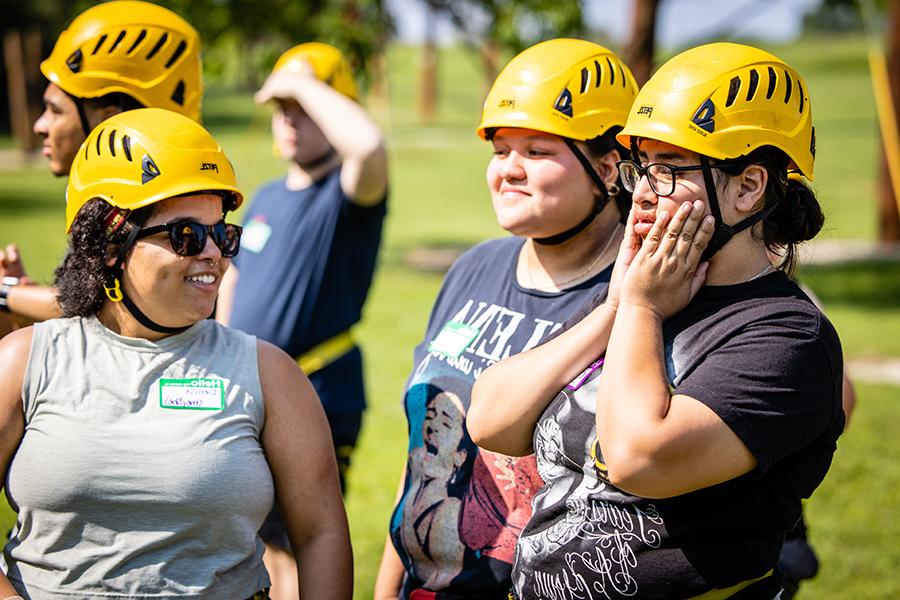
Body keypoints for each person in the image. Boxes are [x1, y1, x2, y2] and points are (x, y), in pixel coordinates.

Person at [467, 42, 845, 599]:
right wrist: (617, 309)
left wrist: (640, 310)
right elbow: (492, 422)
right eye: (640, 169)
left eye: (668, 171)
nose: (642, 194)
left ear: (748, 187)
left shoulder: (787, 336)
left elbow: (637, 458)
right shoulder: (646, 295)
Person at [0, 108, 352, 599]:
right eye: (186, 235)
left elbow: (321, 534)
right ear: (108, 243)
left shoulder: (269, 373)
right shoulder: (23, 362)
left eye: (224, 233)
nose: (214, 253)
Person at [374, 38, 638, 599]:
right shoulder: (476, 267)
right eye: (500, 150)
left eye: (537, 151)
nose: (508, 171)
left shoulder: (645, 289)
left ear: (610, 166)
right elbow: (422, 458)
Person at [214, 42, 387, 600]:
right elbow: (232, 283)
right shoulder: (264, 196)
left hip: (316, 390)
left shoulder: (348, 190)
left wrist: (302, 81)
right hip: (245, 387)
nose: (289, 118)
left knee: (298, 538)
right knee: (256, 534)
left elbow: (368, 144)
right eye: (281, 107)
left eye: (304, 107)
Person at [0, 0, 203, 326]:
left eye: (55, 110)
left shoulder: (155, 201)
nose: (40, 126)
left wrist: (9, 293)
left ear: (108, 118)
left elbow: (101, 308)